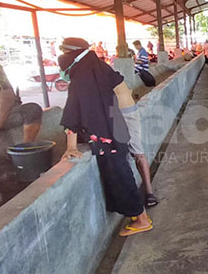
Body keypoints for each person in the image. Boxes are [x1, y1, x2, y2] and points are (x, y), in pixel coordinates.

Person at [57, 37, 153, 236]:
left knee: (119, 172)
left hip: (109, 128)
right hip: (118, 121)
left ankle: (141, 217)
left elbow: (73, 114)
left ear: (72, 55)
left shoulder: (81, 78)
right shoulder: (99, 67)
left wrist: (71, 146)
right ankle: (140, 207)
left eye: (64, 54)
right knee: (123, 166)